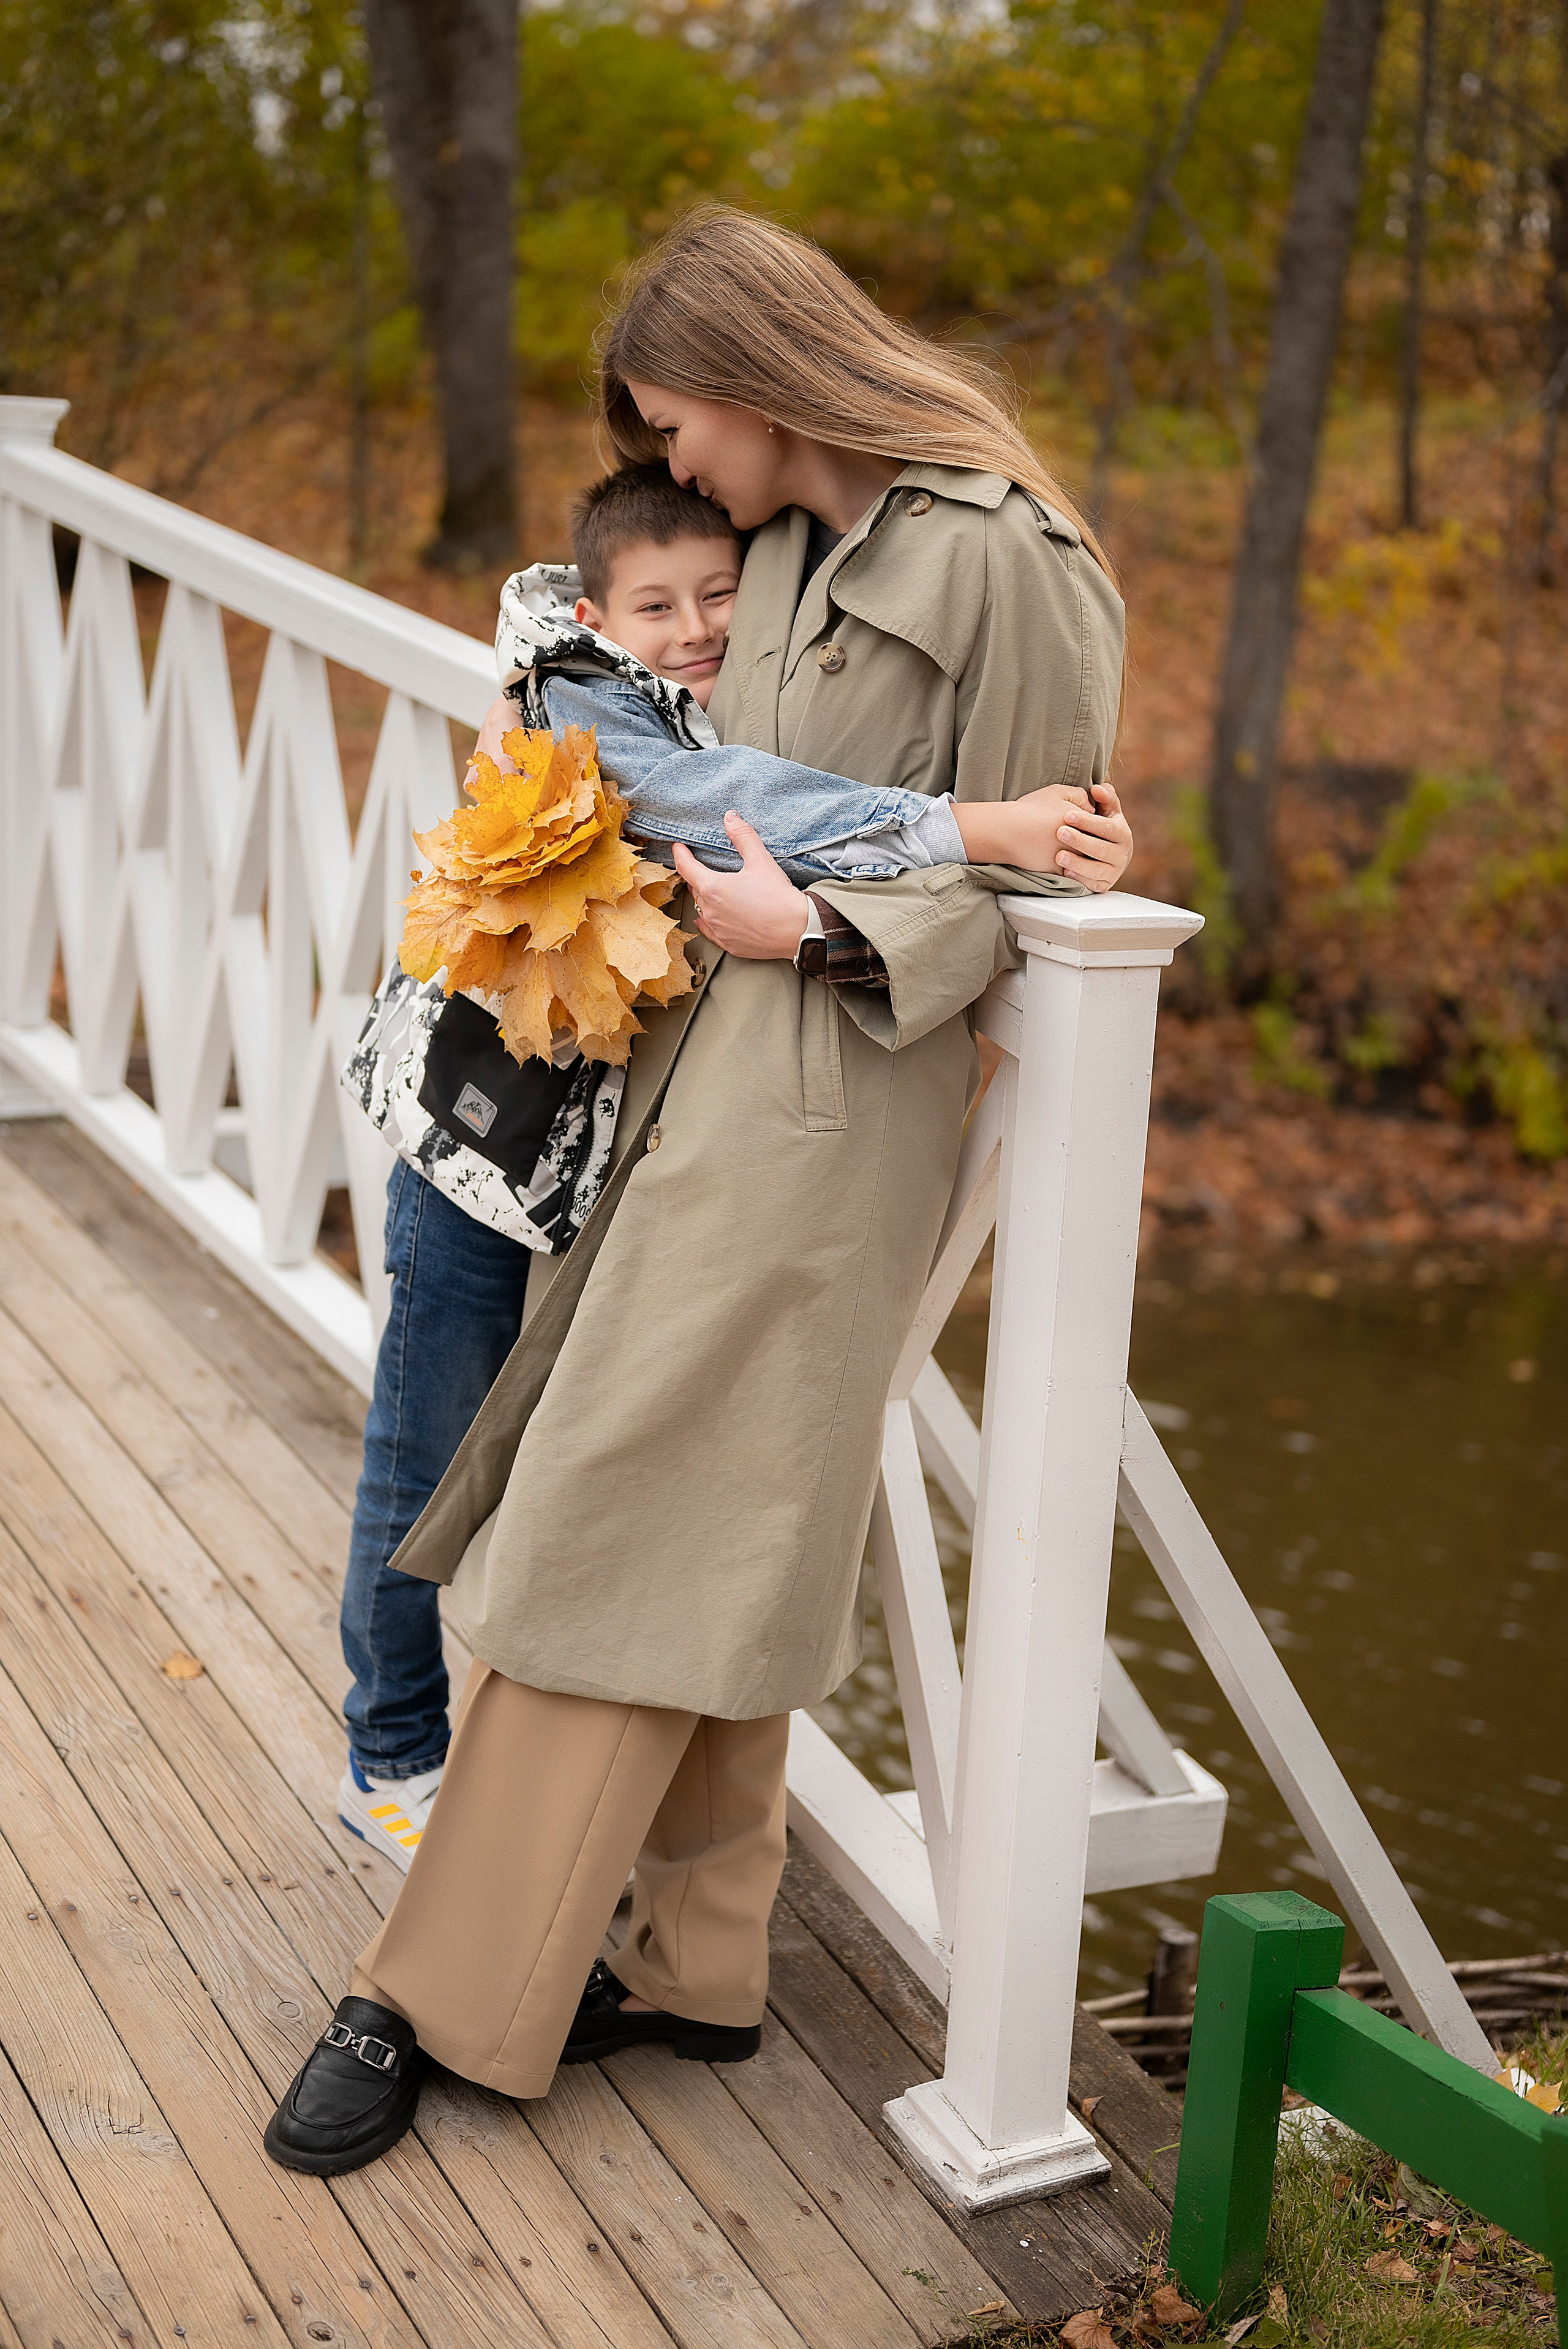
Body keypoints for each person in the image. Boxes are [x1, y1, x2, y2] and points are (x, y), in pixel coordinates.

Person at [268, 203, 1131, 2180]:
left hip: (833, 1111)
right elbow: (689, 757)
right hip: (678, 1092)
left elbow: (1037, 879)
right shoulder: (796, 553)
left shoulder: (1014, 563)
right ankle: (695, 1964)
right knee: (721, 1527)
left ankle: (433, 1989)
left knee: (597, 1522)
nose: (670, 466)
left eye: (675, 424)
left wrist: (818, 923)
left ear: (752, 379)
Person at [336, 459, 1130, 1872]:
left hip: (587, 1153)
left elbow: (790, 772)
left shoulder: (703, 678)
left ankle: (527, 1767)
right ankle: (392, 1742)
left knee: (542, 1452)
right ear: (594, 608)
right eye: (658, 603)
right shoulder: (572, 686)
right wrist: (985, 828)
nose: (696, 625)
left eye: (721, 593)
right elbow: (746, 801)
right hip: (478, 1142)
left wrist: (1062, 849)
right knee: (425, 1449)